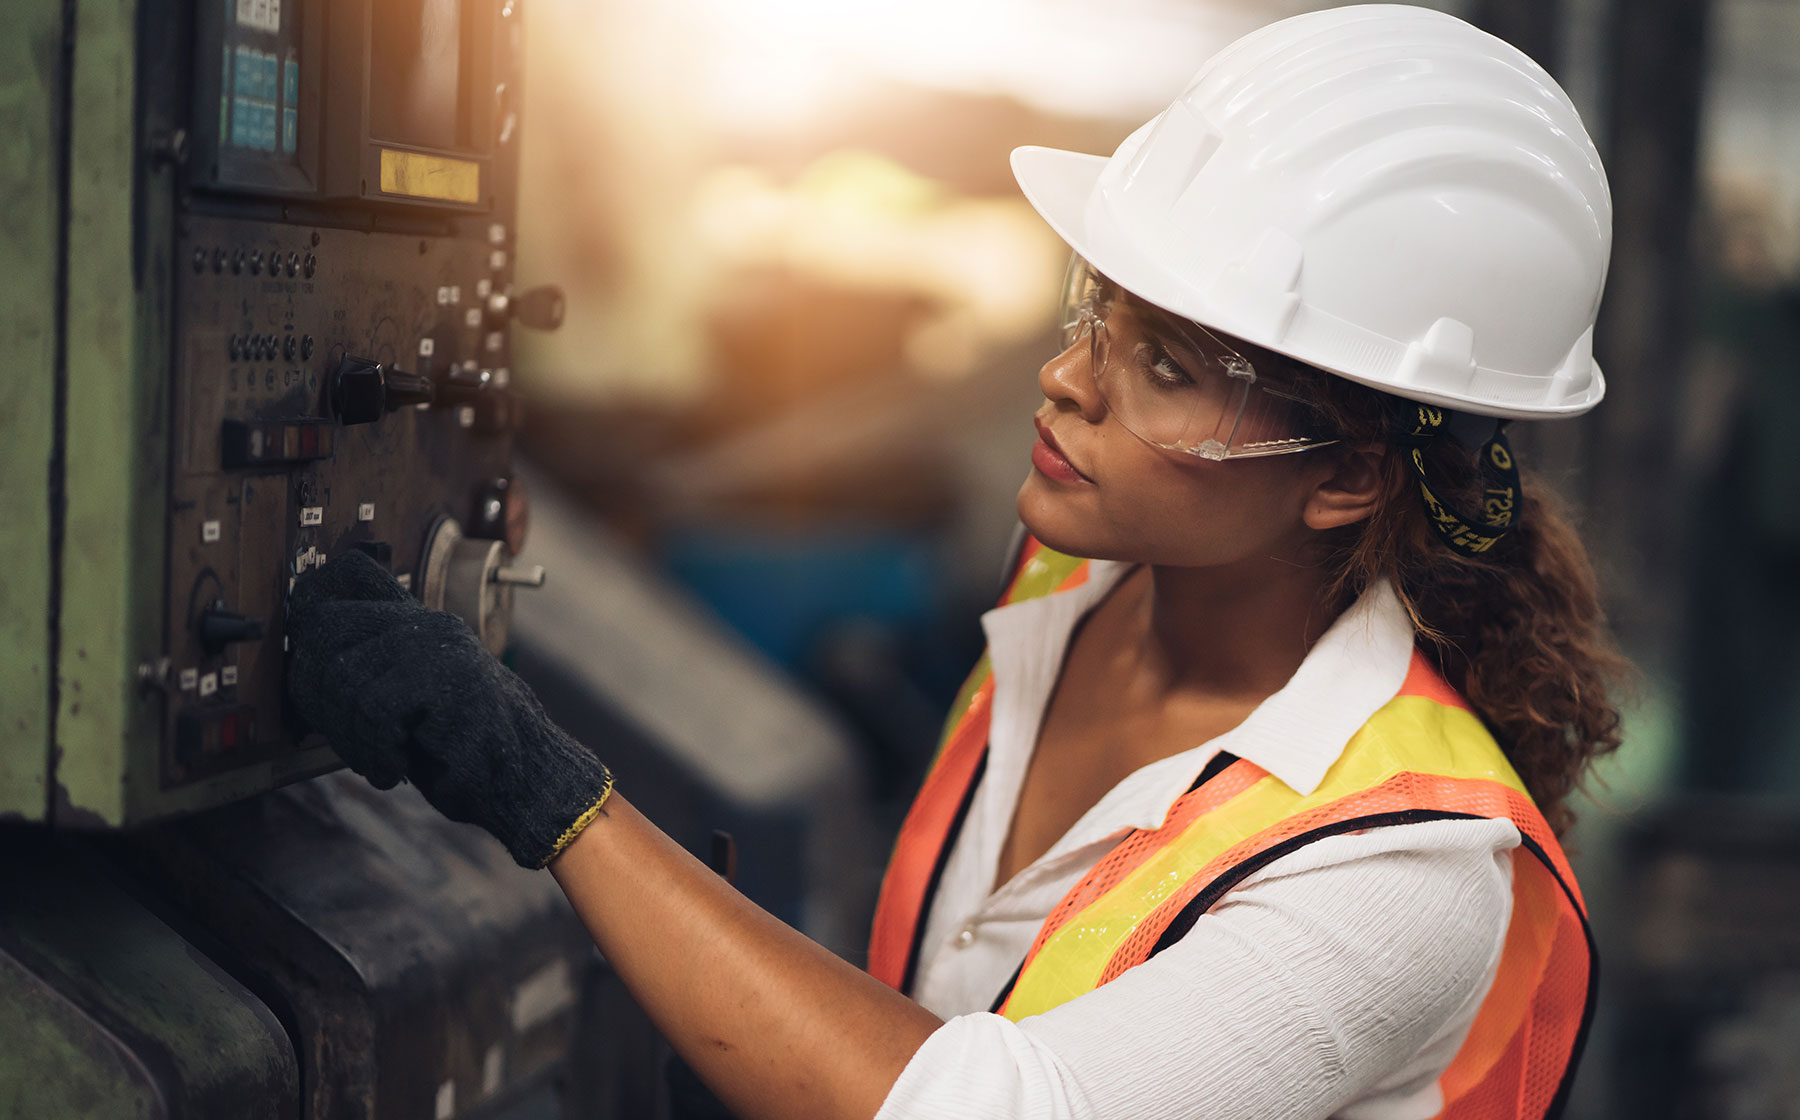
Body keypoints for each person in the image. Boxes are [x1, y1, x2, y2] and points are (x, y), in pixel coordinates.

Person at [286, 6, 1627, 1118]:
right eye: (1097, 309)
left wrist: (546, 794)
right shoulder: (1078, 581)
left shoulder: (1407, 871)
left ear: (1346, 477)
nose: (1061, 379)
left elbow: (996, 1105)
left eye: (1164, 366)